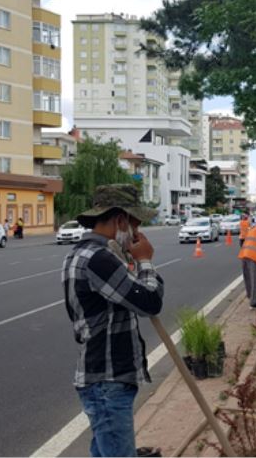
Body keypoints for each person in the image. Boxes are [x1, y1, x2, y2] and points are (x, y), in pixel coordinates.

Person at [63, 184, 164, 457]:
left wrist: (136, 261)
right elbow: (150, 303)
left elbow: (145, 296)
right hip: (107, 380)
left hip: (105, 380)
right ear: (120, 220)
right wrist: (145, 261)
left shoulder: (94, 255)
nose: (137, 233)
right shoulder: (98, 259)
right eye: (135, 224)